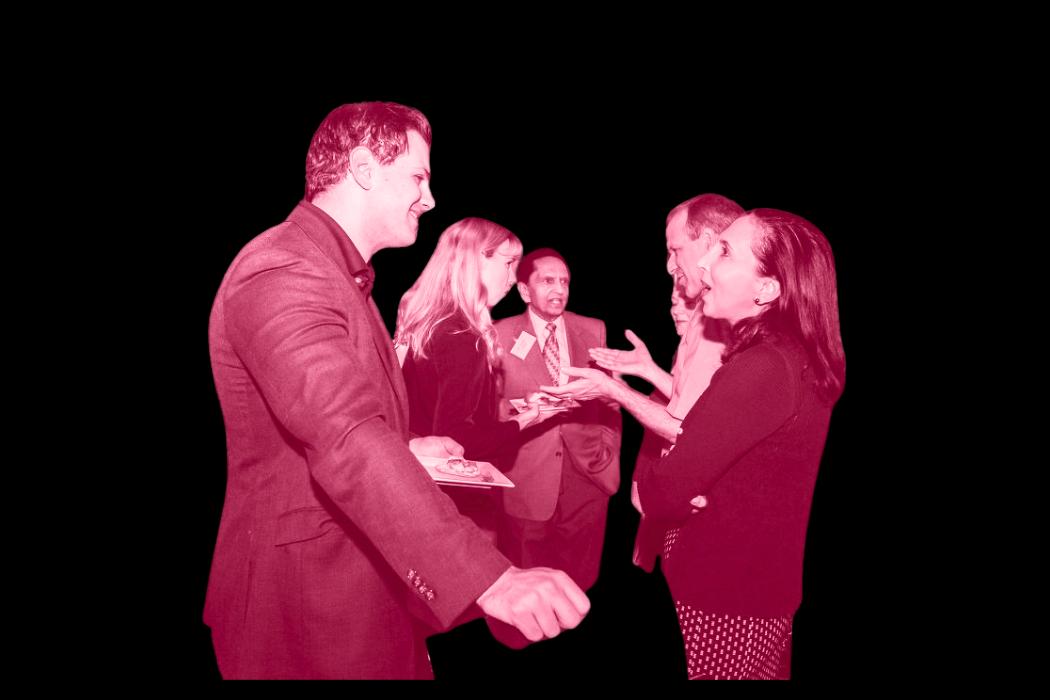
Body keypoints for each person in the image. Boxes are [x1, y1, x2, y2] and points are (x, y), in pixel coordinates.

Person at [204, 101, 589, 679]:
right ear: (363, 168)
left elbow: (325, 424)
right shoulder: (284, 269)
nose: (429, 199)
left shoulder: (334, 274)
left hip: (347, 592)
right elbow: (345, 435)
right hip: (307, 606)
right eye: (418, 177)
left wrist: (408, 446)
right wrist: (488, 577)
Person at [548, 209, 847, 680]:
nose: (704, 262)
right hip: (759, 589)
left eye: (725, 252)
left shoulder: (762, 366)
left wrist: (676, 475)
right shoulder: (796, 355)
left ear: (766, 289)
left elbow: (661, 493)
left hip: (722, 593)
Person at [395, 218, 557, 540]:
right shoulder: (462, 335)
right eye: (508, 263)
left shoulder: (429, 322)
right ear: (476, 260)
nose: (513, 278)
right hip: (453, 504)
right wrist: (527, 420)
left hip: (412, 489)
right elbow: (458, 438)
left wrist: (509, 410)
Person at [493, 248, 622, 592]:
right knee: (528, 584)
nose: (559, 289)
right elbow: (487, 409)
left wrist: (607, 454)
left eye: (564, 282)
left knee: (580, 584)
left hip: (587, 476)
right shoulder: (498, 334)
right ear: (524, 290)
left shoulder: (593, 329)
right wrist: (520, 409)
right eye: (548, 281)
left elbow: (612, 400)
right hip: (526, 477)